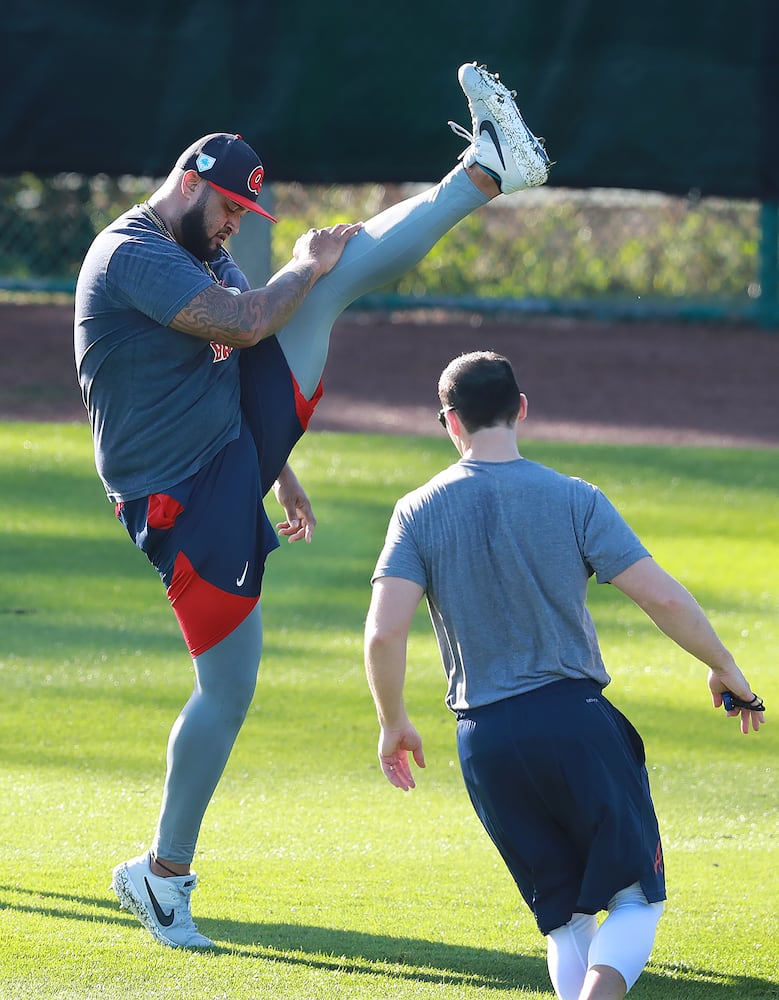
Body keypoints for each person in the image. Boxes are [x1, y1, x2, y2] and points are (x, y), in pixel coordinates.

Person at [73, 64, 551, 948]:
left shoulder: (194, 248)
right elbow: (247, 323)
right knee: (228, 688)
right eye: (226, 210)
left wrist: (276, 464)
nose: (231, 228)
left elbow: (236, 337)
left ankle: (485, 173)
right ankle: (161, 876)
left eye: (241, 219)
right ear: (189, 182)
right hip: (179, 498)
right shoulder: (131, 252)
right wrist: (296, 265)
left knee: (329, 279)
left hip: (226, 454)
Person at [364, 350, 765, 1000]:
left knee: (563, 919)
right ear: (520, 408)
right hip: (574, 725)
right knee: (635, 899)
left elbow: (383, 631)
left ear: (449, 422)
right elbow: (660, 597)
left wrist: (392, 722)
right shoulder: (575, 498)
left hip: (484, 743)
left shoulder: (415, 511)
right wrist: (725, 668)